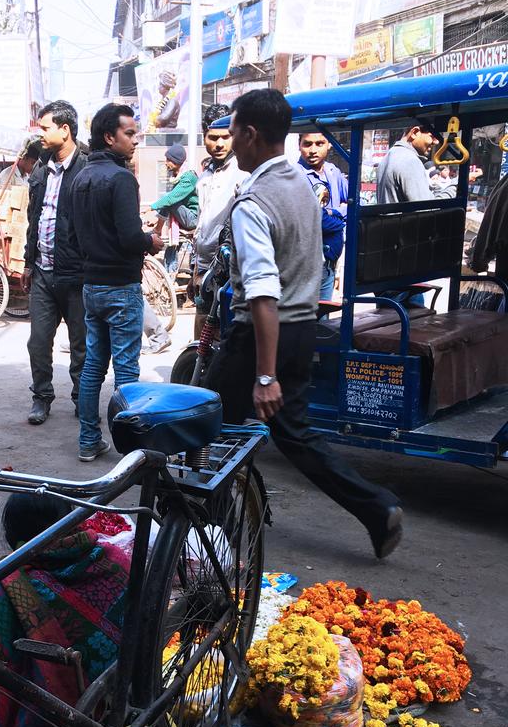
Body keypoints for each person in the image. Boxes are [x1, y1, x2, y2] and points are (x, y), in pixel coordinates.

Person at [203, 90, 403, 559]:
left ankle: (213, 536)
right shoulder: (300, 182)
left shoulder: (254, 201)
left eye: (232, 133)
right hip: (299, 329)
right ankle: (378, 508)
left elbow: (262, 294)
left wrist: (265, 374)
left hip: (261, 336)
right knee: (294, 432)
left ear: (251, 135)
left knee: (207, 426)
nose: (230, 143)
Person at [0, 492, 130, 727]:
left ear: (14, 536)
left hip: (56, 718)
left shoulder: (5, 591)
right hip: (119, 695)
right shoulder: (114, 561)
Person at [70, 103, 165, 462]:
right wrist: (150, 242)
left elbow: (73, 234)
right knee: (126, 369)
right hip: (120, 287)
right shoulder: (121, 178)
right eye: (130, 133)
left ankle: (88, 440)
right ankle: (130, 448)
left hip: (92, 285)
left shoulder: (81, 177)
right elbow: (129, 237)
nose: (135, 140)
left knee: (94, 363)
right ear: (110, 137)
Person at [22, 100, 89, 425]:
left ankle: (82, 399)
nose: (41, 133)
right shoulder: (40, 168)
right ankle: (41, 397)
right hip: (43, 274)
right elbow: (33, 218)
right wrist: (28, 262)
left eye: (46, 127)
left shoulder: (87, 167)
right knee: (38, 342)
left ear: (65, 129)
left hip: (76, 275)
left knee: (81, 344)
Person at [192, 104, 245, 340]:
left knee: (225, 336)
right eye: (213, 138)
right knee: (202, 333)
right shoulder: (205, 175)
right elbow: (202, 225)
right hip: (204, 270)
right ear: (204, 136)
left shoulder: (242, 172)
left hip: (229, 270)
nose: (220, 144)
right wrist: (196, 269)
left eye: (226, 137)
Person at [376, 120, 481, 204]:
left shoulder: (389, 156)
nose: (435, 142)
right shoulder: (410, 161)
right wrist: (458, 183)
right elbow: (428, 208)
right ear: (414, 133)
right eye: (432, 137)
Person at [297, 132, 348, 301]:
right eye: (307, 144)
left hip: (329, 262)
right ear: (299, 145)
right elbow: (316, 220)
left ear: (329, 144)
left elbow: (355, 203)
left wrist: (333, 212)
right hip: (305, 264)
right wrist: (340, 216)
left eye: (319, 143)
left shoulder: (333, 171)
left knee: (324, 320)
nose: (313, 150)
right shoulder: (295, 175)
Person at [151, 143, 199, 233]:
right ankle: (158, 229)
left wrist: (151, 208)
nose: (165, 163)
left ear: (176, 161)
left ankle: (157, 230)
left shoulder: (188, 177)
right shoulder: (179, 177)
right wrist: (156, 219)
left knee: (170, 200)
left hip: (194, 219)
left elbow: (170, 199)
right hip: (187, 216)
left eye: (168, 160)